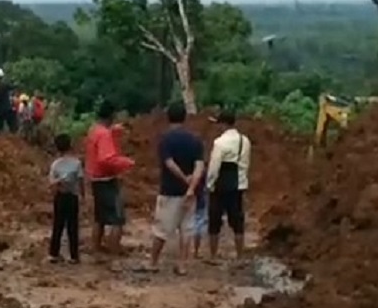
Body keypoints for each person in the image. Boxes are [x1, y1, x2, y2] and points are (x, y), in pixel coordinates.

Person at [147, 102, 204, 275]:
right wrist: (191, 187)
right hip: (190, 195)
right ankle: (183, 265)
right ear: (184, 118)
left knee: (161, 229)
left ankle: (153, 263)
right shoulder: (195, 140)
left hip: (170, 191)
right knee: (186, 230)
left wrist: (184, 180)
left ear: (168, 118)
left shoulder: (166, 140)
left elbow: (169, 164)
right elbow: (200, 167)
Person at [84, 100, 134, 255]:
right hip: (107, 180)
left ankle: (96, 248)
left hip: (95, 179)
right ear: (111, 115)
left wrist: (115, 130)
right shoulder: (104, 134)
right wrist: (127, 163)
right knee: (118, 219)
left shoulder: (95, 130)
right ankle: (114, 252)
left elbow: (104, 136)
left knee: (100, 217)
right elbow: (106, 159)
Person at [206, 107, 252, 263]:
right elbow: (245, 163)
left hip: (221, 185)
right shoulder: (244, 141)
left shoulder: (219, 142)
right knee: (237, 220)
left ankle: (213, 255)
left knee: (214, 219)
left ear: (223, 124)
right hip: (238, 184)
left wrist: (210, 184)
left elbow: (214, 167)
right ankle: (239, 256)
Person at [47, 133, 83, 265]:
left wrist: (58, 184)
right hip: (72, 197)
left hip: (60, 197)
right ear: (70, 146)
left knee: (58, 225)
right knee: (72, 227)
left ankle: (53, 254)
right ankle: (74, 256)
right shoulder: (77, 163)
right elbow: (80, 182)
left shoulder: (55, 165)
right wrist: (82, 196)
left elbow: (51, 183)